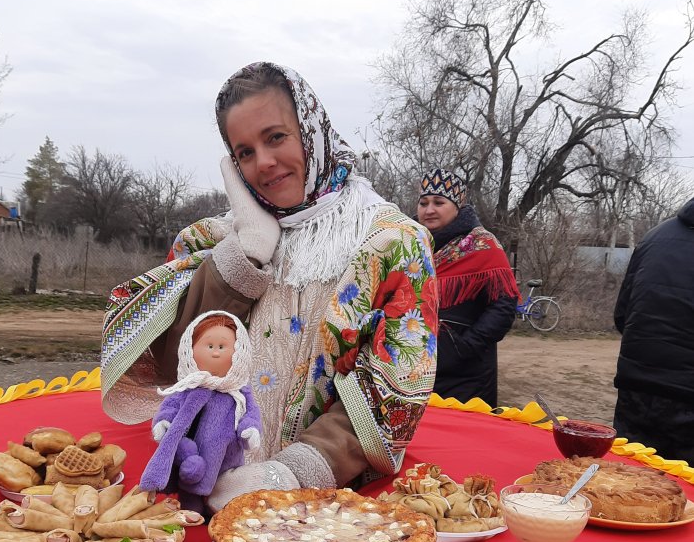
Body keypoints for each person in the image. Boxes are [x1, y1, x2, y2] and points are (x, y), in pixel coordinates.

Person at [102, 61, 438, 510]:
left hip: (331, 510)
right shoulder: (210, 241)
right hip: (206, 489)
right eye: (243, 151)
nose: (263, 163)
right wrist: (246, 255)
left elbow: (394, 395)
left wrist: (290, 473)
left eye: (276, 137)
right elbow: (171, 363)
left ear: (311, 131)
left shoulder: (392, 245)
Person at [138, 311, 262, 513]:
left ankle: (220, 505)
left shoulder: (239, 391)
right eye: (209, 346)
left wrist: (250, 429)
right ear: (190, 348)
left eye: (222, 347)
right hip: (192, 455)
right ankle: (191, 505)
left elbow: (251, 413)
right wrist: (163, 421)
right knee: (189, 474)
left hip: (225, 457)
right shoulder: (188, 386)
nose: (215, 352)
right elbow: (171, 406)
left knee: (225, 486)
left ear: (240, 352)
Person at [416, 168, 518, 406]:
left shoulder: (483, 245)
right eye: (423, 203)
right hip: (414, 366)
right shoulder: (409, 244)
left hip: (466, 372)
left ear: (457, 206)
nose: (429, 210)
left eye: (439, 202)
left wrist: (465, 347)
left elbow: (503, 306)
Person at [613, 197, 694, 464]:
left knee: (628, 481)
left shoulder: (655, 236)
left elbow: (622, 315)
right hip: (685, 398)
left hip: (636, 388)